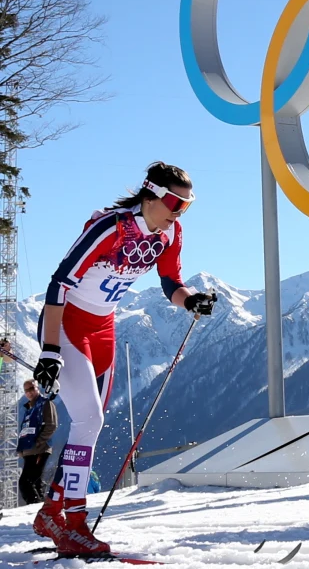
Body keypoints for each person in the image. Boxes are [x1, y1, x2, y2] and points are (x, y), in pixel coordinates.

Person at [31, 162, 219, 557]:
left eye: (186, 205)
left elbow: (170, 282)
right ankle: (75, 525)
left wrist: (191, 301)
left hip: (103, 329)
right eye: (173, 202)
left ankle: (52, 511)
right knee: (90, 419)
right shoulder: (110, 227)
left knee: (90, 426)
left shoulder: (170, 232)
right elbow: (59, 283)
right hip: (67, 324)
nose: (178, 211)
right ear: (150, 195)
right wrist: (49, 350)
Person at [18, 379, 57, 504]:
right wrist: (21, 448)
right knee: (36, 482)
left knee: (26, 482)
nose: (29, 392)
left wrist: (38, 442)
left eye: (31, 388)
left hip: (40, 449)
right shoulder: (28, 408)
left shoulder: (45, 403)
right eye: (26, 390)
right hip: (28, 451)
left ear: (37, 388)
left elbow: (51, 425)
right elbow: (25, 429)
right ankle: (41, 507)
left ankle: (34, 507)